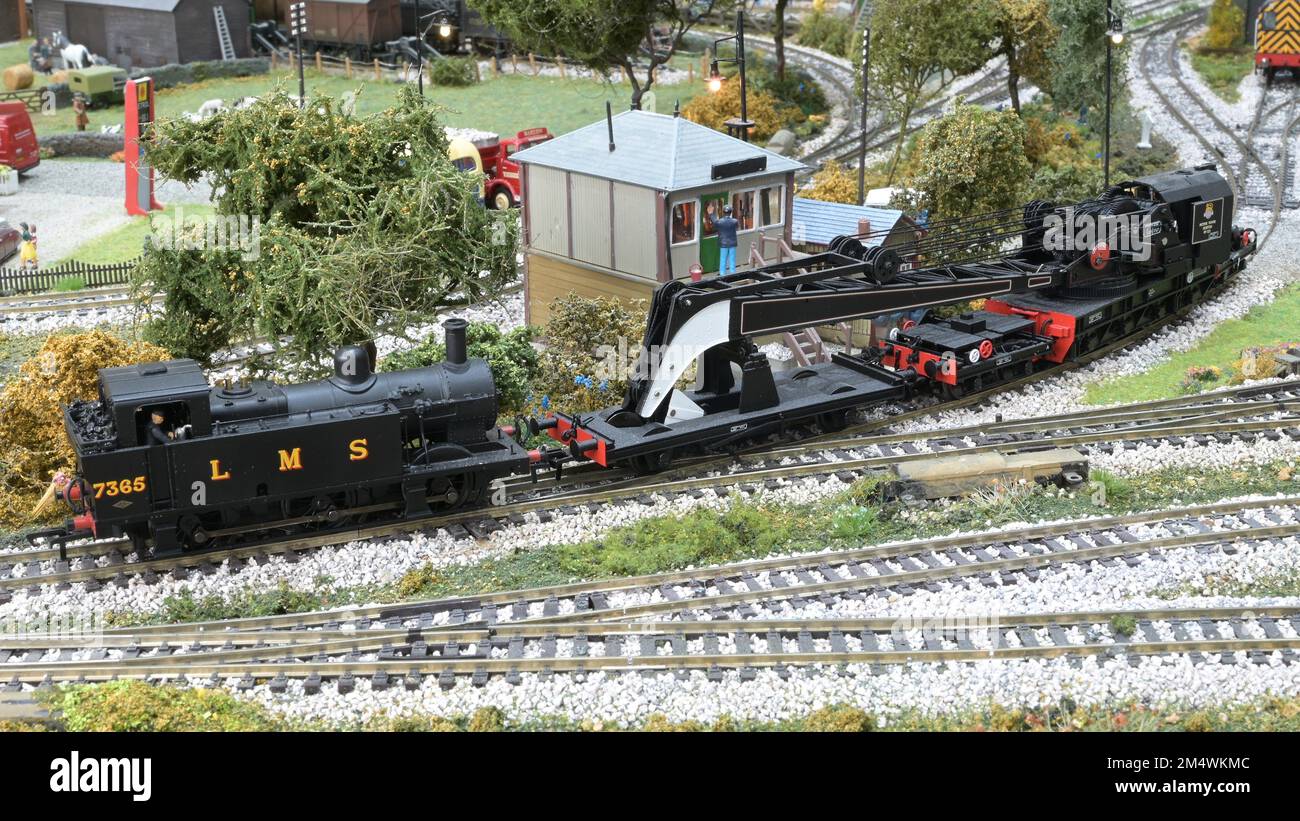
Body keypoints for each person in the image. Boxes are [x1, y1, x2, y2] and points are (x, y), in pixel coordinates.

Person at [715, 203, 739, 275]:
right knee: (732, 260)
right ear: (731, 212)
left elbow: (714, 222)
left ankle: (722, 274)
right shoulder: (735, 221)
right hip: (732, 243)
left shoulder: (719, 222)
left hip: (723, 243)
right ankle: (733, 273)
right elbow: (737, 227)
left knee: (723, 260)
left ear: (723, 212)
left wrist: (711, 214)